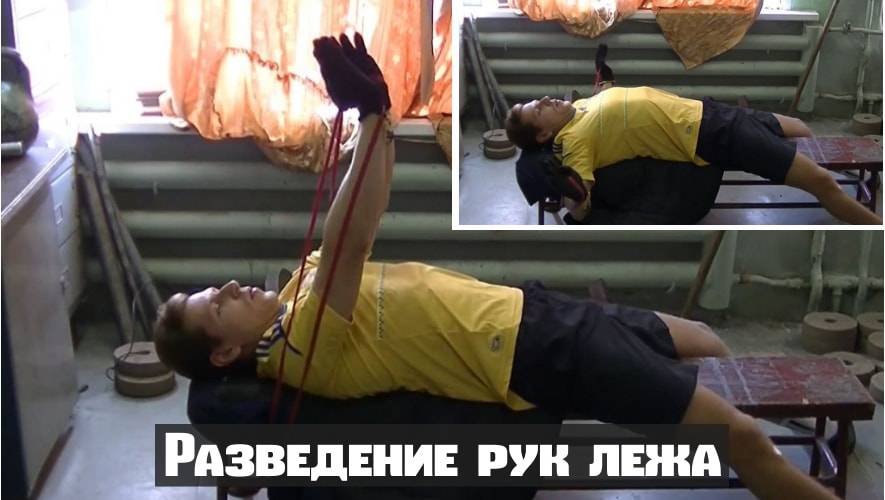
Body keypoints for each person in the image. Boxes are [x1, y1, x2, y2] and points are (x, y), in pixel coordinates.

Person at [153, 34, 838, 500]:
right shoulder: (300, 353)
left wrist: (380, 121)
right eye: (219, 304)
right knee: (744, 440)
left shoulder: (299, 292)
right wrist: (371, 117)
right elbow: (348, 242)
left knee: (704, 340)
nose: (233, 287)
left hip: (532, 311)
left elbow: (364, 213)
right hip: (537, 353)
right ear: (227, 353)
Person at [504, 87, 882, 225]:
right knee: (821, 183)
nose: (546, 100)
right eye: (539, 109)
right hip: (712, 136)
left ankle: (844, 179)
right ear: (544, 134)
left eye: (540, 100)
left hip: (709, 111)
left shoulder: (581, 107)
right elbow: (580, 198)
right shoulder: (575, 140)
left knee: (798, 127)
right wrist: (573, 195)